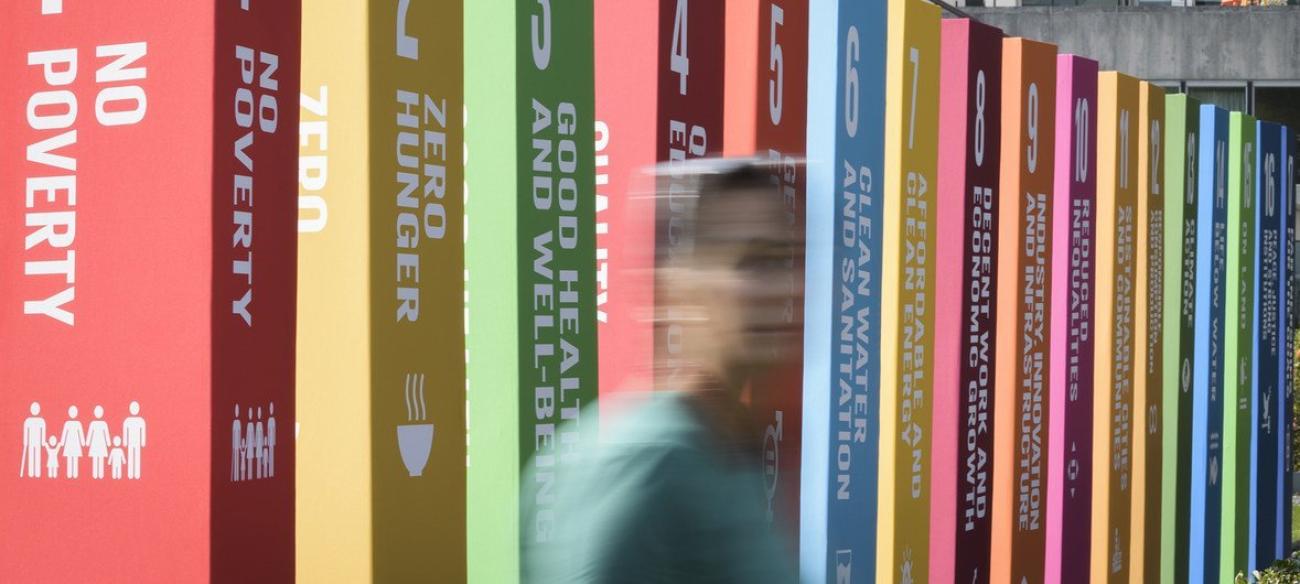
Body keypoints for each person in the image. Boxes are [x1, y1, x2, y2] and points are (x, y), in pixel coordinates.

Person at [522, 161, 802, 583]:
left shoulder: (729, 450)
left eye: (783, 261)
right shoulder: (642, 464)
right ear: (677, 284)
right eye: (751, 262)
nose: (782, 287)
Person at [59, 405, 86, 479]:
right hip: (69, 444)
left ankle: (74, 474)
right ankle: (70, 473)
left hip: (76, 444)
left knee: (75, 458)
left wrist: (83, 442)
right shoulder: (67, 424)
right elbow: (64, 433)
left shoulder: (78, 424)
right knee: (70, 458)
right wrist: (62, 442)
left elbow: (80, 433)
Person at [122, 401, 146, 480]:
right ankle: (130, 474)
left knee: (136, 456)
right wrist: (125, 441)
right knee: (131, 456)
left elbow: (142, 432)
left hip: (137, 442)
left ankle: (136, 474)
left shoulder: (140, 421)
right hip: (131, 442)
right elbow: (125, 432)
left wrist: (142, 442)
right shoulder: (127, 421)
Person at [21, 402, 45, 479]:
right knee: (31, 456)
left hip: (37, 442)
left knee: (37, 456)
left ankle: (37, 472)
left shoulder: (41, 421)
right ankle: (31, 472)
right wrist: (25, 442)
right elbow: (26, 432)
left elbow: (43, 431)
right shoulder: (28, 421)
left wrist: (43, 441)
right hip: (31, 442)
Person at [86, 405, 111, 480]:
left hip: (101, 444)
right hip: (95, 444)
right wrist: (87, 442)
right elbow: (90, 433)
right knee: (96, 458)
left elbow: (106, 434)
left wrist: (108, 442)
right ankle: (96, 474)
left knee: (99, 458)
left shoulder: (103, 424)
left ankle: (99, 474)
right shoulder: (93, 424)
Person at [232, 405, 243, 482]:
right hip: (235, 444)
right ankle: (235, 476)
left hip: (237, 444)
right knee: (235, 460)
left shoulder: (238, 423)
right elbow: (234, 434)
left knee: (238, 460)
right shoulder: (235, 423)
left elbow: (239, 433)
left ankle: (237, 477)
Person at [266, 402, 276, 477]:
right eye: (270, 408)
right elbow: (268, 431)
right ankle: (270, 472)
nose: (271, 410)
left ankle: (271, 472)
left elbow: (274, 431)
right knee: (269, 457)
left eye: (272, 408)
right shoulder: (269, 420)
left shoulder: (272, 420)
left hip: (272, 441)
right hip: (270, 441)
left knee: (272, 457)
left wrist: (274, 441)